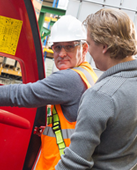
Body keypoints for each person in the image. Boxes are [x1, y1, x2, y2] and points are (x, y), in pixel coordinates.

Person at [0, 15, 97, 170]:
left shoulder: (70, 79)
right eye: (57, 47)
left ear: (84, 48)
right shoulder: (87, 74)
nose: (61, 54)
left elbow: (23, 94)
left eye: (69, 47)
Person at [55, 8, 137, 170]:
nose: (89, 50)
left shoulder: (102, 95)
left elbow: (74, 163)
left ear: (104, 47)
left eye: (90, 44)